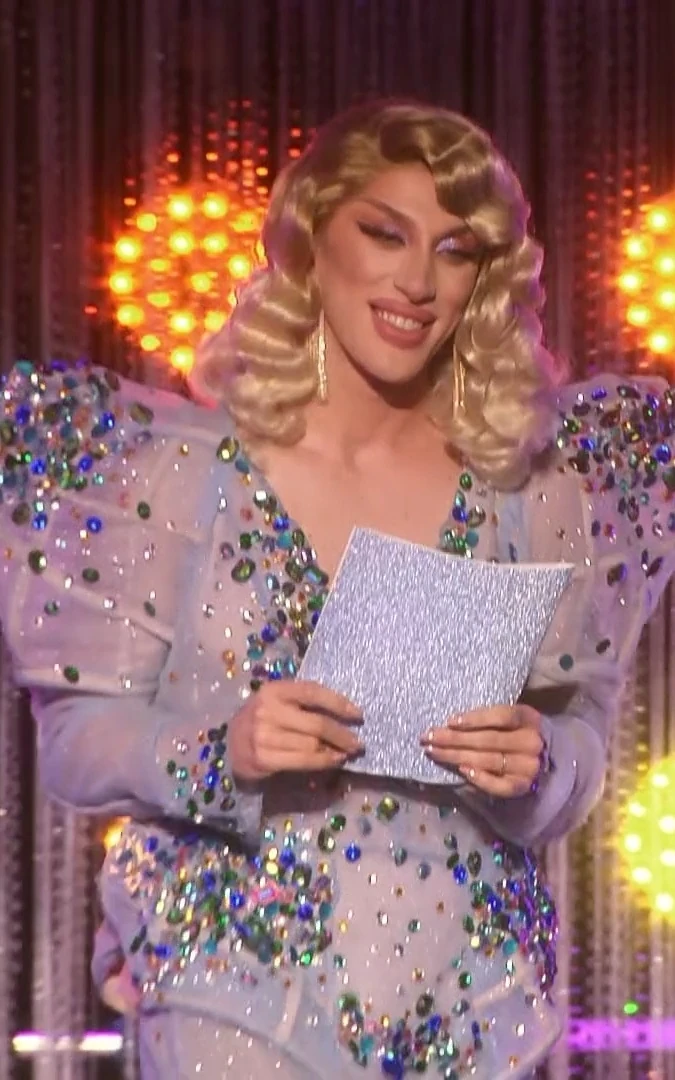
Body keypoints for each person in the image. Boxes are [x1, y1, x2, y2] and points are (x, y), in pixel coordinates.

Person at [1, 99, 673, 1080]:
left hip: (476, 1002)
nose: (416, 281)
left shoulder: (533, 491)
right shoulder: (179, 473)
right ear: (312, 238)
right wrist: (222, 751)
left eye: (453, 248)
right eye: (384, 233)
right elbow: (76, 741)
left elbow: (582, 738)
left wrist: (539, 762)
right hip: (229, 979)